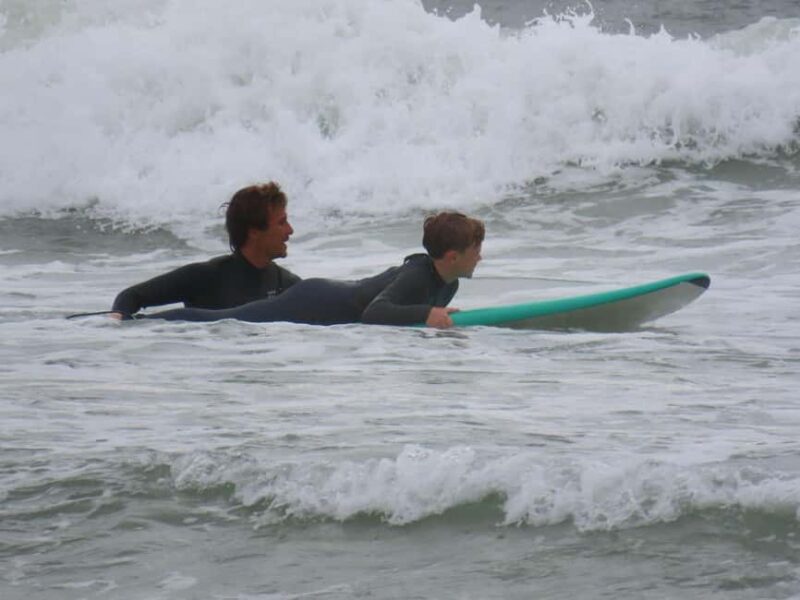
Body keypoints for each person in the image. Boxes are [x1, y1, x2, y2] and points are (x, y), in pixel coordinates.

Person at [142, 211, 484, 329]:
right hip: (315, 301)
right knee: (226, 320)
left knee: (230, 318)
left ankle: (146, 322)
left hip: (326, 309)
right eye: (475, 251)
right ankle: (142, 323)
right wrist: (427, 314)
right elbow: (375, 313)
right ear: (452, 256)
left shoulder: (449, 283)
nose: (480, 258)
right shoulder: (418, 274)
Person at [111, 182, 300, 319]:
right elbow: (131, 297)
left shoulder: (288, 286)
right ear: (254, 232)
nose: (290, 230)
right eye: (282, 223)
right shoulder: (207, 277)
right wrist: (118, 329)